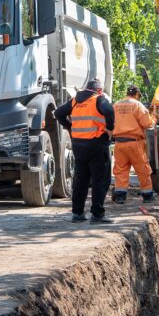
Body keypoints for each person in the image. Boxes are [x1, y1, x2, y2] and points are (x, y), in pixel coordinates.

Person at [54, 78, 115, 224]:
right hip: (97, 145)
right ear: (99, 90)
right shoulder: (98, 99)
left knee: (80, 180)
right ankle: (97, 215)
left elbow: (58, 113)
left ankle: (78, 213)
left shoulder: (75, 101)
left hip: (78, 146)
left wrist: (69, 126)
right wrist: (110, 129)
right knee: (100, 180)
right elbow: (109, 110)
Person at [112, 85, 156, 204]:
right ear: (137, 95)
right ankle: (147, 195)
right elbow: (147, 124)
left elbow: (110, 123)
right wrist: (154, 117)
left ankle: (120, 196)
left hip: (119, 143)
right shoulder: (138, 105)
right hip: (135, 143)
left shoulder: (116, 105)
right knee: (142, 169)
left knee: (120, 169)